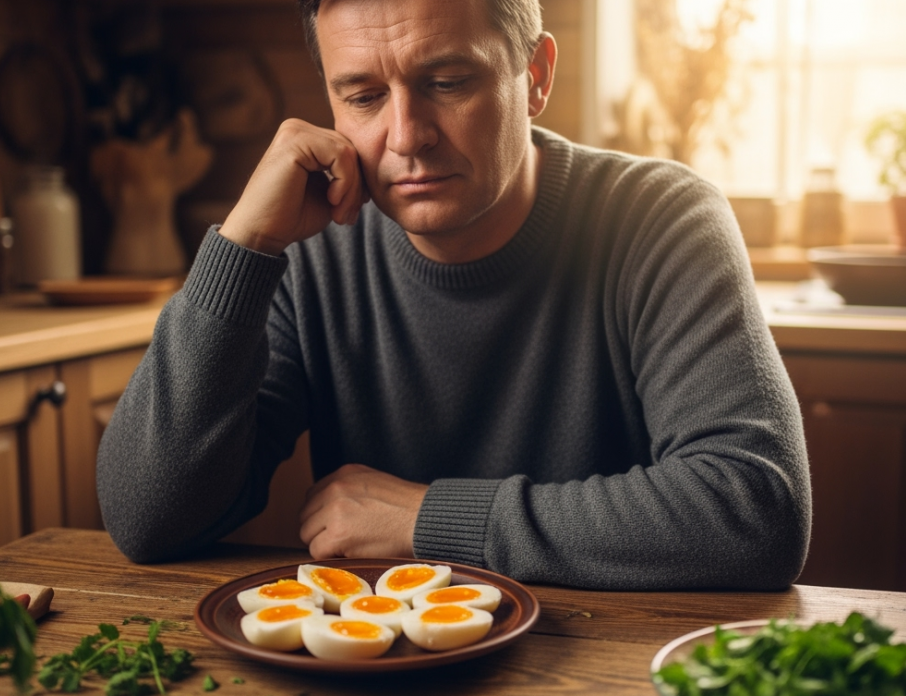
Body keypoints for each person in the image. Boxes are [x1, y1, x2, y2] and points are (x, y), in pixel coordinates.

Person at [97, 0, 811, 590]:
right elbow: (146, 518)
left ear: (534, 76)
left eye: (447, 81)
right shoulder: (307, 250)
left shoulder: (663, 219)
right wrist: (241, 250)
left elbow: (754, 509)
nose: (406, 136)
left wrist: (427, 519)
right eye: (364, 97)